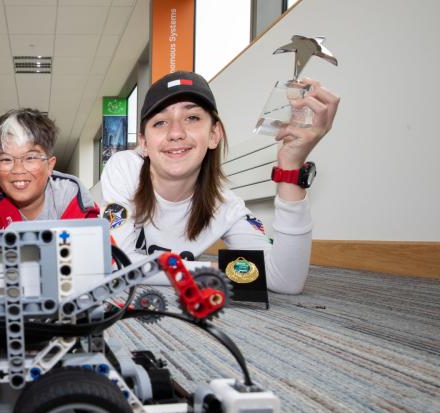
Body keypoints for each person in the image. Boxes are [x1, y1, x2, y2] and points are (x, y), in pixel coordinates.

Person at [101, 71, 339, 294]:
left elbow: (285, 280)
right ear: (143, 142)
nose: (176, 132)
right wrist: (213, 271)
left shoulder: (225, 205)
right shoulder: (125, 168)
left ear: (214, 135)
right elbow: (116, 262)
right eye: (160, 122)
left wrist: (291, 166)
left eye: (192, 117)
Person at [0, 108, 99, 229]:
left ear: (50, 165)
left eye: (30, 157)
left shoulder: (70, 198)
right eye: (6, 159)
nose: (18, 170)